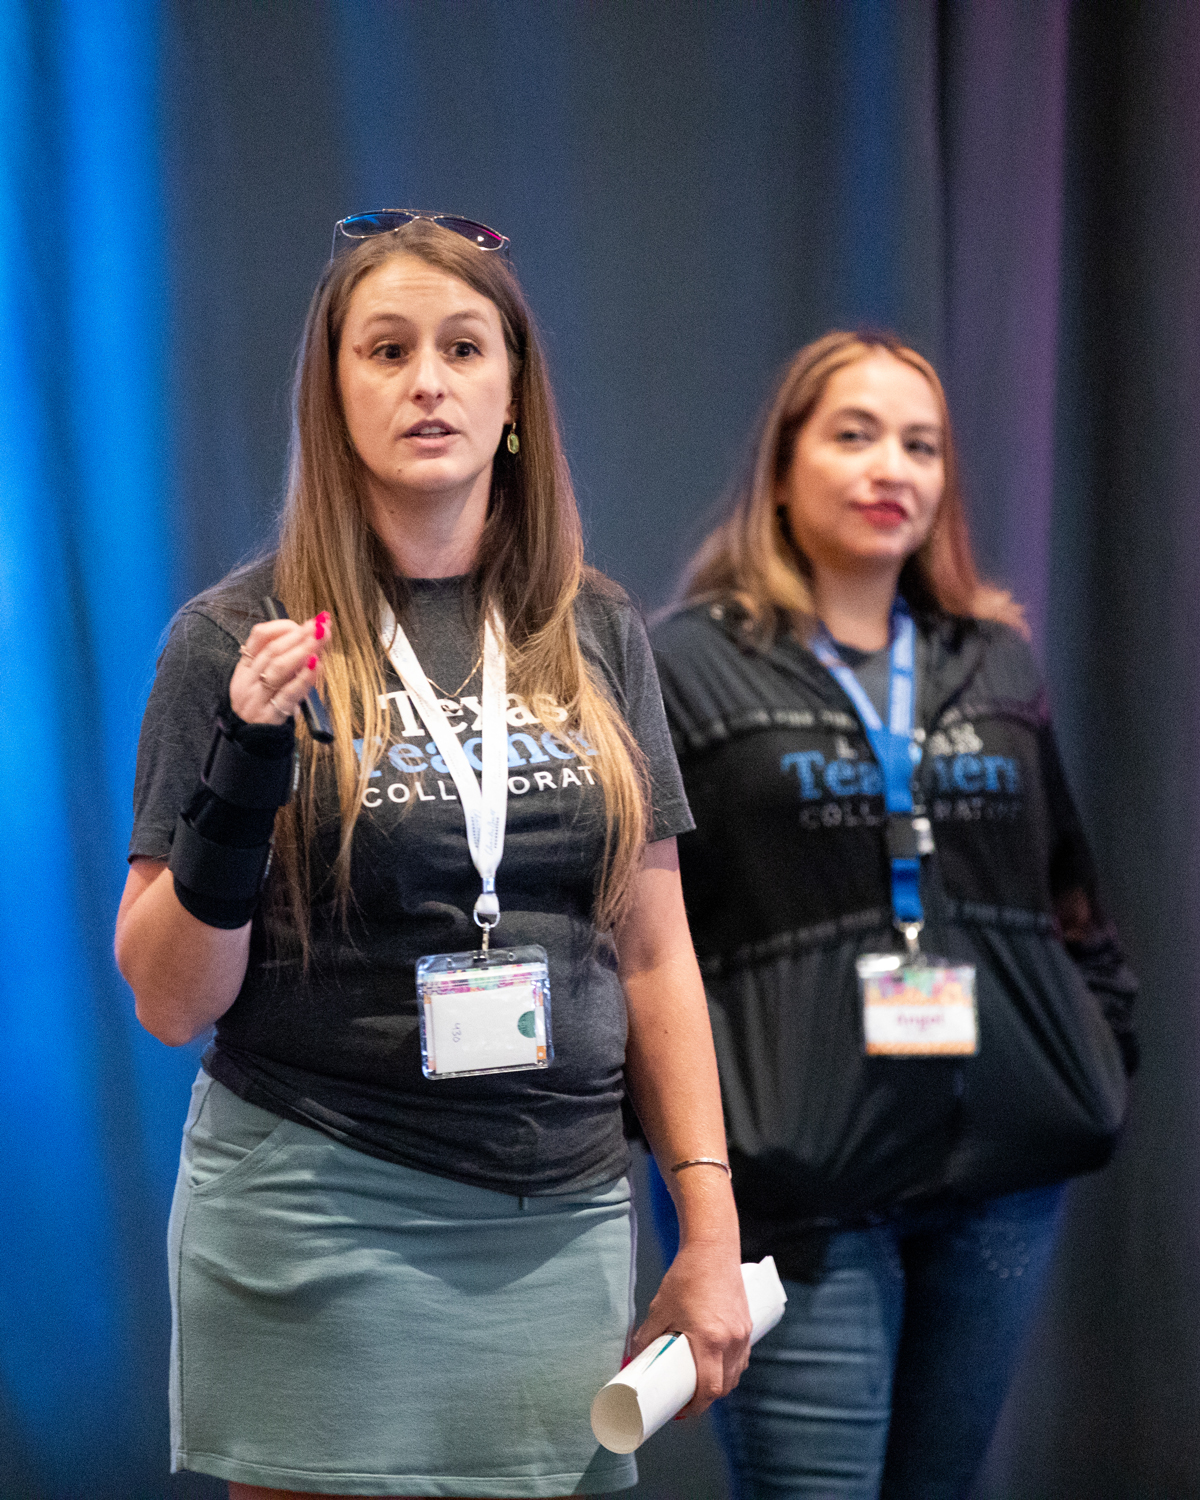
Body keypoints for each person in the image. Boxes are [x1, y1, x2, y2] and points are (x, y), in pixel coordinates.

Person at [115, 211, 751, 1500]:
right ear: (330, 390)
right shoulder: (231, 638)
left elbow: (655, 951)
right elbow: (169, 997)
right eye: (386, 349)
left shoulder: (596, 629)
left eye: (464, 348)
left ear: (514, 393)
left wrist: (711, 1220)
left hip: (560, 1218)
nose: (427, 381)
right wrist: (245, 769)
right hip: (318, 1200)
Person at [648, 329, 1138, 1500]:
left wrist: (1096, 1052)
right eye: (855, 435)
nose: (893, 469)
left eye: (921, 445)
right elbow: (649, 939)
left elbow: (1069, 890)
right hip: (800, 1188)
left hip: (999, 1175)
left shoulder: (996, 659)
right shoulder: (684, 665)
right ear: (782, 467)